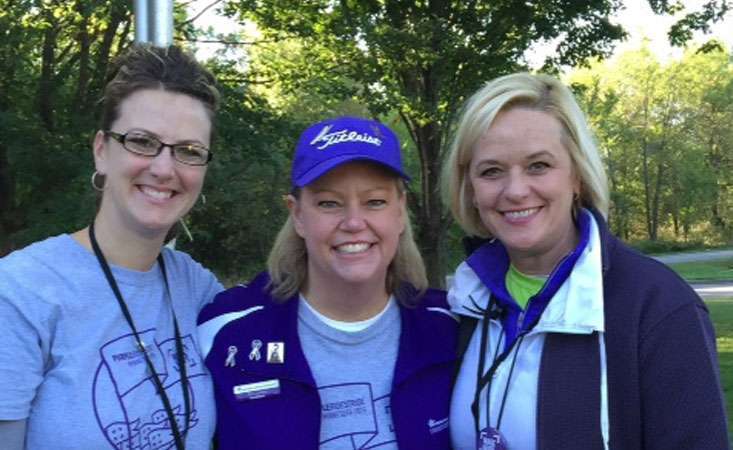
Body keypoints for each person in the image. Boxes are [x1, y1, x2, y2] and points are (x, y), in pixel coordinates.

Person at [443, 72, 729, 449]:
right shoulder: (465, 304)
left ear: (577, 175)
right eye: (491, 171)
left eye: (538, 166)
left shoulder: (658, 306)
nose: (514, 190)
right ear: (471, 189)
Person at [0, 45, 223, 450]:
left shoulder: (198, 289)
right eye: (141, 141)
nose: (163, 168)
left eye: (189, 151)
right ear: (101, 150)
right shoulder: (19, 293)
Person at [198, 116, 457, 449]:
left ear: (400, 211)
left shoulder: (452, 330)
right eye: (328, 203)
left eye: (375, 201)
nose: (353, 222)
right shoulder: (223, 332)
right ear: (298, 215)